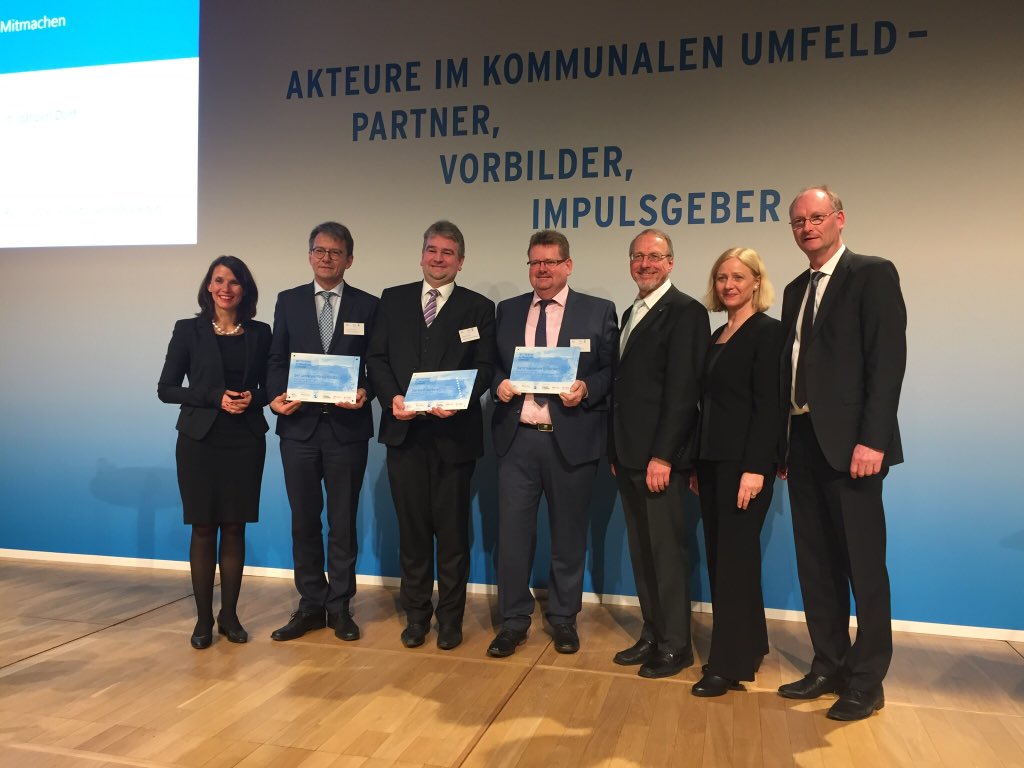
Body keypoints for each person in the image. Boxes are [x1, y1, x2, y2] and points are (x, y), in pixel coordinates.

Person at [777, 186, 907, 721]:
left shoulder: (872, 274)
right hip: (802, 441)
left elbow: (887, 361)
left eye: (817, 217)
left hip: (855, 446)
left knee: (863, 567)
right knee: (817, 564)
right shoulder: (793, 289)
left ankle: (867, 680)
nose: (808, 227)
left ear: (840, 219)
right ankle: (828, 664)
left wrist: (873, 439)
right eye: (798, 221)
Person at [366, 220, 495, 651]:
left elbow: (485, 367)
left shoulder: (479, 307)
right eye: (432, 251)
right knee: (413, 533)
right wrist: (392, 398)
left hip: (453, 436)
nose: (439, 259)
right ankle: (417, 616)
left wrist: (460, 400)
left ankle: (451, 619)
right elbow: (376, 358)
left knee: (453, 534)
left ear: (461, 261)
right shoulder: (392, 300)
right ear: (422, 255)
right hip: (404, 434)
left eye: (448, 253)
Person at [488, 230, 618, 657]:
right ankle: (513, 620)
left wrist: (587, 388)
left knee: (568, 536)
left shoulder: (598, 311)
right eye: (535, 262)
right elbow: (491, 365)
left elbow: (611, 371)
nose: (541, 269)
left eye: (550, 262)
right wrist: (499, 384)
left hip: (572, 440)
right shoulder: (507, 311)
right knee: (513, 537)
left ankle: (563, 618)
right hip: (518, 441)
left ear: (568, 265)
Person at [266, 222, 378, 642]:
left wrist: (366, 390)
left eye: (335, 252)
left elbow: (377, 364)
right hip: (298, 428)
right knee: (304, 520)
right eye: (319, 250)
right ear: (309, 255)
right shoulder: (289, 300)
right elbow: (276, 358)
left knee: (343, 521)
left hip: (347, 430)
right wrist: (274, 396)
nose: (326, 258)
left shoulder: (369, 305)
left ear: (349, 259)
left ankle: (340, 606)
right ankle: (311, 604)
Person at [608, 228, 710, 678]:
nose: (645, 264)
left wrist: (664, 456)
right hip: (629, 455)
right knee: (642, 552)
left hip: (658, 460)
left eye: (654, 256)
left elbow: (683, 392)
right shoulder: (631, 311)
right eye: (637, 256)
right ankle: (652, 633)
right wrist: (616, 450)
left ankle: (676, 646)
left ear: (671, 262)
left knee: (666, 554)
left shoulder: (686, 312)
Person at [158, 256, 271, 649]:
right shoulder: (187, 330)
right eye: (219, 280)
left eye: (234, 281)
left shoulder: (261, 332)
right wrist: (213, 397)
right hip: (199, 441)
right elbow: (166, 389)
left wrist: (254, 397)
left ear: (245, 289)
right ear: (208, 286)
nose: (226, 288)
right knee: (204, 527)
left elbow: (272, 385)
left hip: (245, 439)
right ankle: (204, 619)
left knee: (235, 526)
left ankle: (230, 616)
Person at [688, 247, 783, 696]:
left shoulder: (768, 333)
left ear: (757, 282)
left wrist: (756, 468)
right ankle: (751, 645)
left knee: (734, 564)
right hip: (711, 464)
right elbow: (709, 406)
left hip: (744, 467)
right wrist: (696, 464)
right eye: (722, 277)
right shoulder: (717, 334)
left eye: (738, 277)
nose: (728, 285)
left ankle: (727, 665)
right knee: (725, 559)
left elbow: (769, 407)